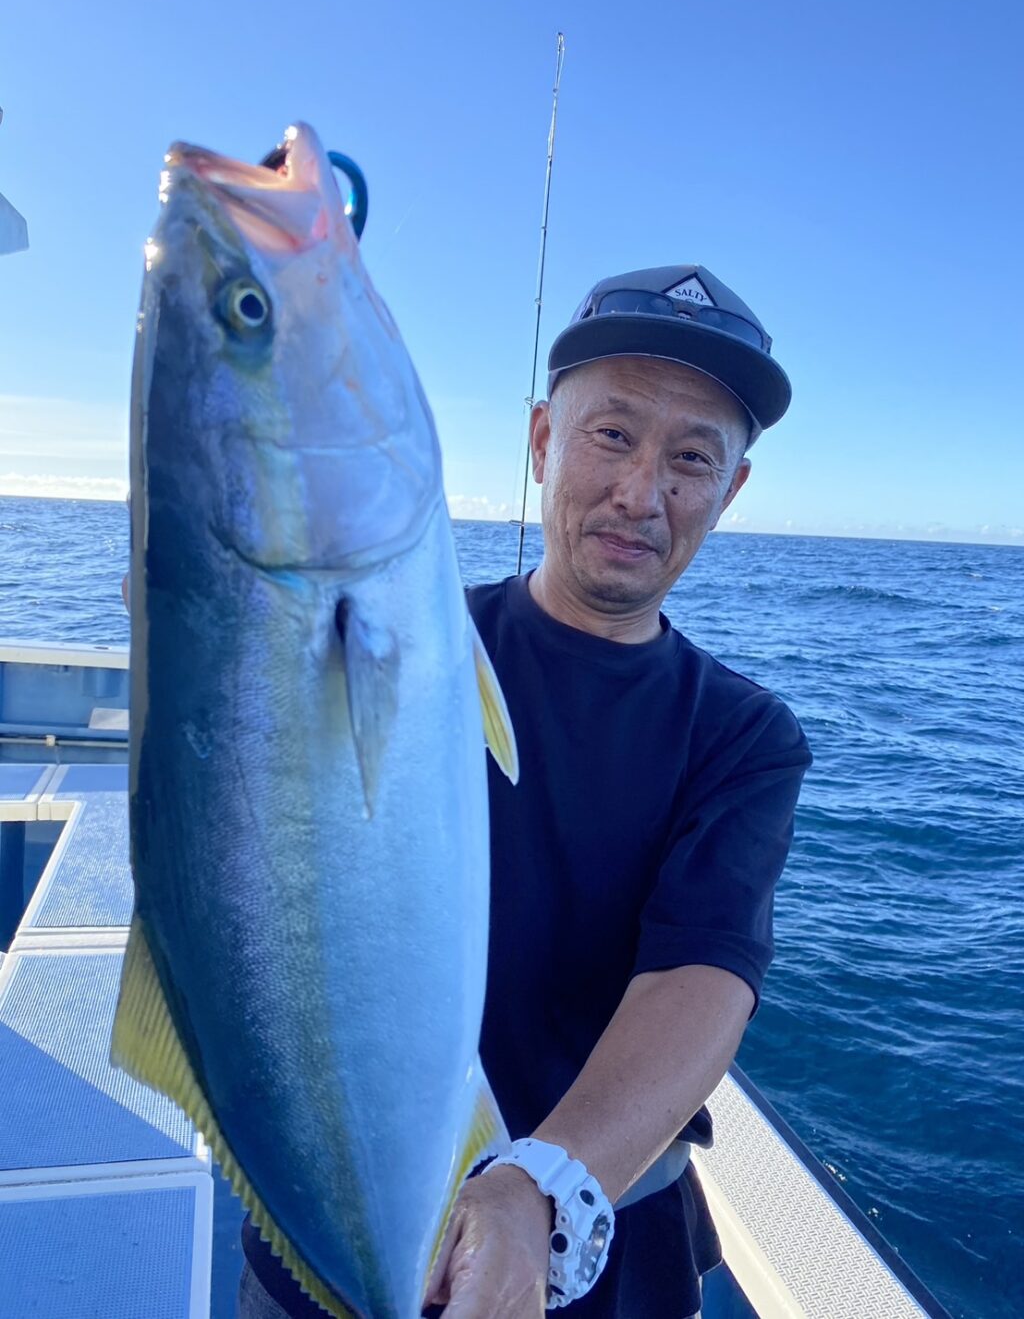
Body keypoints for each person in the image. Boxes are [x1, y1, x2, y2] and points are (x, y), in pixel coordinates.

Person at [238, 264, 811, 1319]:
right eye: (612, 435)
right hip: (333, 1208)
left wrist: (540, 1183)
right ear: (543, 440)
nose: (641, 492)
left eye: (692, 458)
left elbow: (701, 974)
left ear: (729, 491)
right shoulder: (389, 654)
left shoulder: (742, 735)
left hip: (591, 1242)